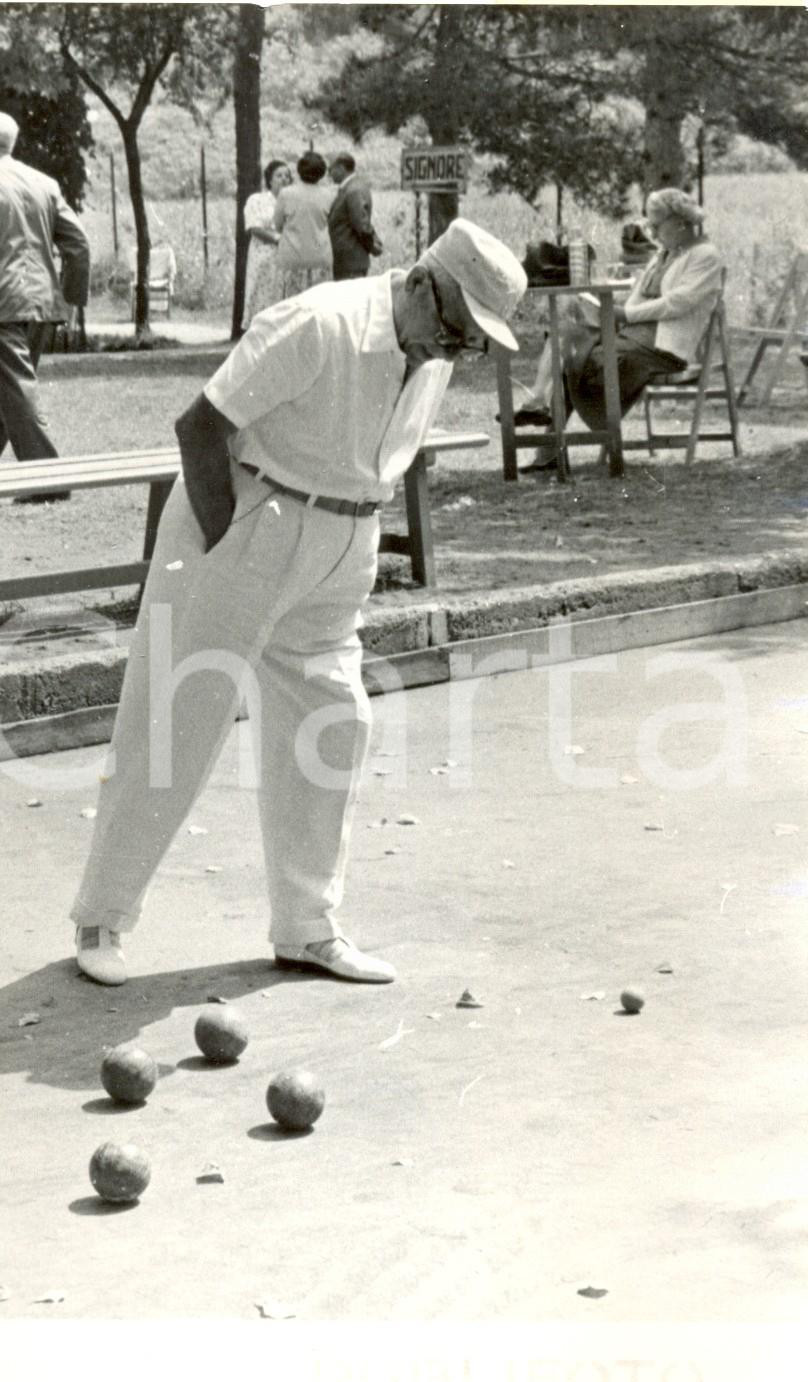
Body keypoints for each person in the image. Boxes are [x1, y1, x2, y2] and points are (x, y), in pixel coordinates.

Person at [70, 218, 527, 989]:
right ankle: (102, 915)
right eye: (453, 329)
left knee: (334, 720)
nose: (452, 352)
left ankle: (306, 925)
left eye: (471, 344)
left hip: (344, 538)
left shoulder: (431, 345)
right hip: (250, 515)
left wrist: (352, 541)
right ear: (419, 283)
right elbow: (200, 425)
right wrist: (225, 542)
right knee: (179, 715)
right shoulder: (320, 323)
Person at [510, 189, 723, 469]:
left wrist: (625, 314)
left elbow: (677, 303)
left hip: (662, 350)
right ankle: (537, 403)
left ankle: (548, 451)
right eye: (650, 226)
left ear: (680, 222)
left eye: (657, 226)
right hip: (629, 339)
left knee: (582, 359)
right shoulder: (664, 254)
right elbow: (638, 298)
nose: (653, 233)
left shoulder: (705, 256)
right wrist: (605, 310)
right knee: (567, 334)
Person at [0, 109, 90, 502]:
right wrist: (73, 298)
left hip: (0, 304)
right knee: (9, 390)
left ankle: (48, 483)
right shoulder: (44, 183)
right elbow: (78, 244)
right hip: (43, 303)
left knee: (15, 389)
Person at [273, 150, 333, 299]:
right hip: (320, 257)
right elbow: (331, 224)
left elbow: (278, 225)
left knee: (292, 305)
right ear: (322, 172)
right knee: (319, 303)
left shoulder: (286, 194)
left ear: (299, 171)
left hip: (292, 257)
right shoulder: (329, 195)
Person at [242, 159, 292, 328]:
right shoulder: (257, 200)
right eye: (279, 175)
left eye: (287, 176)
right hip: (263, 257)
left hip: (287, 258)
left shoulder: (293, 201)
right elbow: (254, 227)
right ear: (270, 180)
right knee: (261, 297)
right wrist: (278, 238)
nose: (284, 179)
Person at [327, 151, 383, 280]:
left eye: (330, 169)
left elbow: (362, 225)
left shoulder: (353, 190)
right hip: (348, 261)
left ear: (341, 168)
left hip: (351, 262)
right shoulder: (351, 188)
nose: (329, 174)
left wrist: (373, 247)